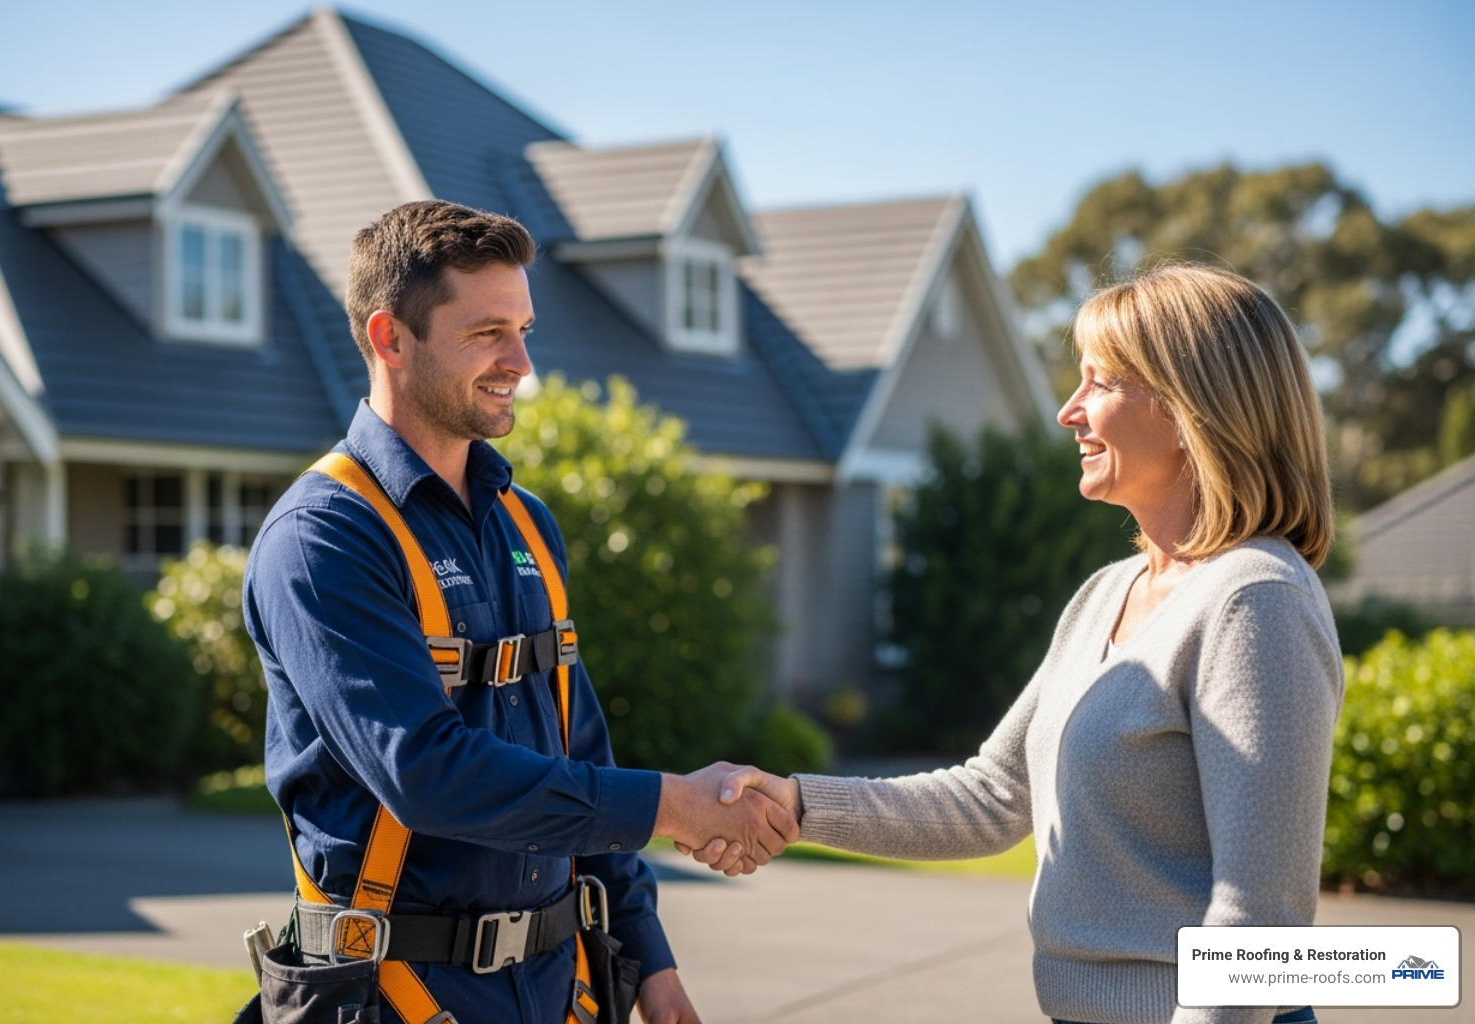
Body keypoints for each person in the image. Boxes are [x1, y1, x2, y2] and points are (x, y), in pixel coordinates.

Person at [701, 264, 1343, 1024]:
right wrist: (800, 803)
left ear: (1187, 408)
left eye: (1099, 383)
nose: (1070, 410)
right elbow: (993, 796)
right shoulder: (1108, 593)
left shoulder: (1254, 601)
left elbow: (1261, 913)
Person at [244, 199, 796, 1024]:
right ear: (390, 337)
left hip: (560, 988)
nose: (520, 362)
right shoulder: (323, 538)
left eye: (525, 329)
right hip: (392, 997)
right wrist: (674, 804)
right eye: (486, 333)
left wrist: (650, 961)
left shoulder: (525, 522)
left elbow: (580, 749)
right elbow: (426, 775)